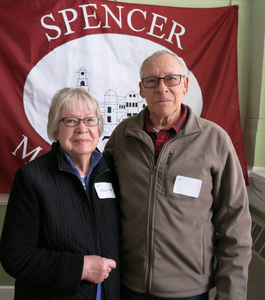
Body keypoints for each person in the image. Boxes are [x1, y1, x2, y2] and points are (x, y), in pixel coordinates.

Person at [103, 50, 252, 300]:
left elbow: (235, 224)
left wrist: (231, 295)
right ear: (142, 89)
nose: (162, 88)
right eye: (152, 81)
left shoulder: (215, 141)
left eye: (171, 79)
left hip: (189, 290)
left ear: (185, 84)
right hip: (129, 284)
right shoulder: (122, 135)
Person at [0, 87, 120, 300]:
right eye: (71, 121)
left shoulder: (113, 172)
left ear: (99, 128)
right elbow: (15, 257)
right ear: (55, 129)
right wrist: (79, 268)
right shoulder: (32, 177)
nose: (82, 128)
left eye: (90, 120)